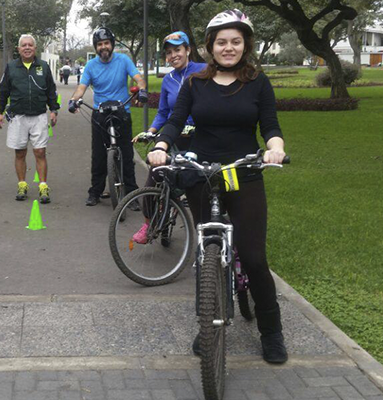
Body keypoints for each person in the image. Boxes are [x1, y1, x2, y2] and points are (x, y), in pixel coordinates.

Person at [148, 9, 288, 364]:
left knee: (254, 257)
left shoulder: (257, 82)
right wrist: (162, 146)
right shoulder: (195, 83)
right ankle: (208, 324)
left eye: (236, 42)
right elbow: (176, 120)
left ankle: (271, 331)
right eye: (222, 42)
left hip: (243, 172)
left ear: (245, 45)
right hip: (203, 172)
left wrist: (275, 148)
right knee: (206, 252)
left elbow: (269, 125)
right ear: (210, 46)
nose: (229, 48)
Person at [130, 31, 206, 244]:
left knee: (201, 185)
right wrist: (151, 132)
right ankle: (149, 222)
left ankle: (207, 238)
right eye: (169, 52)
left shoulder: (203, 71)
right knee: (155, 175)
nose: (173, 55)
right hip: (173, 135)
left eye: (178, 50)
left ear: (188, 50)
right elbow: (163, 112)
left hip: (201, 137)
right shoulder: (168, 80)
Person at [68, 26, 148, 207]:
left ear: (112, 44)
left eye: (106, 43)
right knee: (98, 156)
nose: (103, 47)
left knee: (127, 155)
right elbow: (82, 88)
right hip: (100, 114)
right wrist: (73, 101)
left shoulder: (123, 60)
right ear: (96, 47)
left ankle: (131, 194)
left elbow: (139, 79)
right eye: (99, 44)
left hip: (121, 112)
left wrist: (142, 91)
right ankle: (95, 191)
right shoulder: (90, 65)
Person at [0, 34, 59, 203]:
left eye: (30, 45)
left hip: (38, 116)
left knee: (40, 152)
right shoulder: (11, 67)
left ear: (35, 48)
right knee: (20, 152)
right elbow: (3, 91)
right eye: (24, 45)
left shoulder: (43, 67)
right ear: (19, 49)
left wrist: (54, 110)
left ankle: (43, 186)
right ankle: (22, 184)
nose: (27, 47)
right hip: (18, 117)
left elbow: (51, 91)